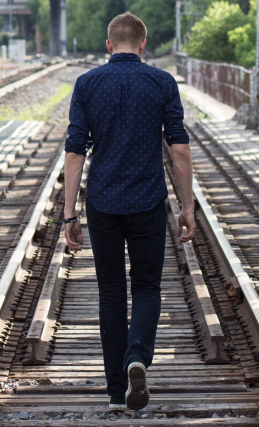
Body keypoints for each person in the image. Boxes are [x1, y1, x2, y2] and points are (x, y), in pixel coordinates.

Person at [61, 12, 195, 411]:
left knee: (111, 292)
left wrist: (69, 213)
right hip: (149, 201)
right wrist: (187, 205)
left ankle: (116, 391)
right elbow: (180, 149)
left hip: (102, 202)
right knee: (148, 287)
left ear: (108, 45)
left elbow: (74, 152)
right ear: (142, 45)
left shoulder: (87, 84)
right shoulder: (161, 82)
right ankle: (138, 355)